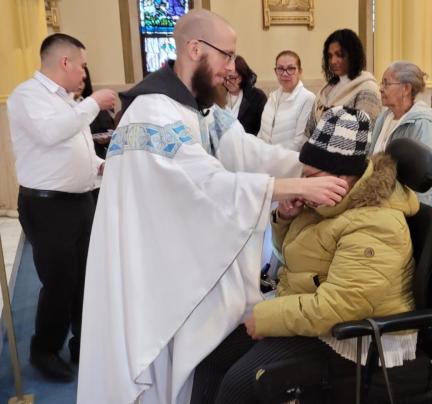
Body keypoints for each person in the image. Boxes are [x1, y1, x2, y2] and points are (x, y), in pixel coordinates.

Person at [77, 9, 347, 404]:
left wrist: (308, 167)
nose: (231, 67)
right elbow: (205, 185)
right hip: (154, 272)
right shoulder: (153, 113)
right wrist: (291, 188)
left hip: (180, 257)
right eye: (226, 55)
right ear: (194, 49)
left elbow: (246, 150)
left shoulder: (197, 107)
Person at [192, 106, 422, 404]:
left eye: (312, 176)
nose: (305, 182)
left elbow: (339, 306)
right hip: (313, 316)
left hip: (352, 339)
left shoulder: (377, 224)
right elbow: (289, 256)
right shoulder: (330, 201)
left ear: (342, 175)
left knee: (239, 385)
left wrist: (264, 318)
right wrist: (286, 218)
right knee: (211, 358)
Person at [6, 33, 116, 382]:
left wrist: (97, 167)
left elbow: (74, 146)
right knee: (59, 281)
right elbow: (51, 134)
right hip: (48, 206)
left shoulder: (67, 99)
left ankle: (83, 342)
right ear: (65, 62)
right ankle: (45, 349)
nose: (85, 72)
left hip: (80, 199)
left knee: (86, 277)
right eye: (82, 64)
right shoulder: (28, 96)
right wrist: (94, 103)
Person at [370, 61, 432, 207]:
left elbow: (429, 184)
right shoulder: (384, 117)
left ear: (406, 88)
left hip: (403, 208)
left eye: (386, 84)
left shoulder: (422, 125)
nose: (380, 89)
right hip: (377, 199)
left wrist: (418, 218)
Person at [305, 28, 381, 138]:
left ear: (352, 55)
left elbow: (363, 133)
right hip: (316, 152)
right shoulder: (327, 89)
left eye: (339, 55)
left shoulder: (367, 89)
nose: (333, 61)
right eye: (330, 56)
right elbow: (310, 129)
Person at [257, 50, 315, 151]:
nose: (285, 73)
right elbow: (262, 133)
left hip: (290, 162)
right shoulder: (272, 97)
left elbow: (300, 141)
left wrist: (271, 155)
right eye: (280, 69)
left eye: (291, 68)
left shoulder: (308, 98)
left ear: (300, 71)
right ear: (275, 71)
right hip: (266, 160)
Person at [223, 55, 267, 135]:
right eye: (225, 78)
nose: (228, 82)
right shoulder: (219, 95)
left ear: (242, 76)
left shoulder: (257, 97)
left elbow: (263, 130)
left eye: (232, 78)